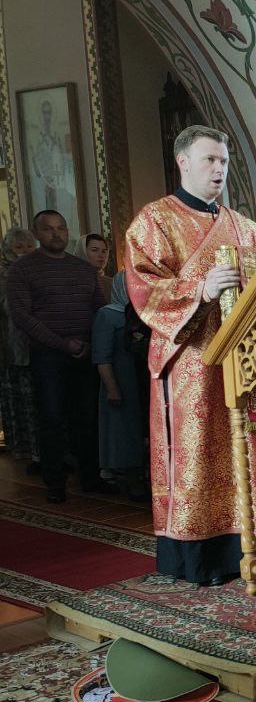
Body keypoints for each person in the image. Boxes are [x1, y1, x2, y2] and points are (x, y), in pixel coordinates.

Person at [125, 125, 256, 584]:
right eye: (209, 160)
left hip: (247, 356)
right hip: (192, 360)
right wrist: (200, 288)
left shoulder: (246, 227)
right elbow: (143, 288)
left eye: (223, 161)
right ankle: (206, 555)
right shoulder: (154, 221)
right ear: (183, 162)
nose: (219, 169)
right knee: (200, 449)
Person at [7, 210, 108, 503]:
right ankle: (54, 482)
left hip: (85, 353)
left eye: (61, 228)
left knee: (86, 418)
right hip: (48, 354)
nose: (57, 234)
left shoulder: (83, 268)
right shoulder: (23, 269)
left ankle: (91, 478)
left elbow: (99, 309)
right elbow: (22, 316)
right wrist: (63, 344)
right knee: (51, 417)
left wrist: (91, 343)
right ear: (37, 233)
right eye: (49, 229)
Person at [92, 272, 148, 502]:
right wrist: (112, 387)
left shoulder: (145, 313)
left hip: (141, 383)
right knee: (122, 432)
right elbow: (101, 357)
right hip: (121, 383)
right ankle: (129, 479)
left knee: (140, 430)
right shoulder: (107, 314)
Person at [0, 226, 39, 470]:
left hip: (43, 345)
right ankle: (31, 453)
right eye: (18, 247)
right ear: (8, 250)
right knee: (24, 402)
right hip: (13, 349)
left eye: (29, 246)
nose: (25, 251)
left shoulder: (41, 270)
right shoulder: (3, 277)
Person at [72, 233, 113, 299]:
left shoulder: (112, 283)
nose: (101, 255)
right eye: (94, 250)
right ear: (83, 251)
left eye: (104, 251)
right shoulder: (70, 282)